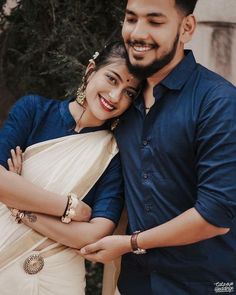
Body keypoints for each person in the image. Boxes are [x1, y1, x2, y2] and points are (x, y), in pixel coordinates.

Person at [79, 1, 236, 294]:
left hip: (203, 283)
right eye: (131, 19)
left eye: (155, 21)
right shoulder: (123, 102)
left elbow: (215, 215)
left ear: (186, 28)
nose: (138, 33)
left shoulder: (219, 102)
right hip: (136, 283)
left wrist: (131, 243)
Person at [0, 41, 141, 295]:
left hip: (60, 278)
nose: (115, 96)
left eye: (129, 92)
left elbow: (94, 234)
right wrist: (69, 207)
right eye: (112, 79)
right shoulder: (33, 111)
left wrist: (19, 207)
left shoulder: (114, 153)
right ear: (90, 70)